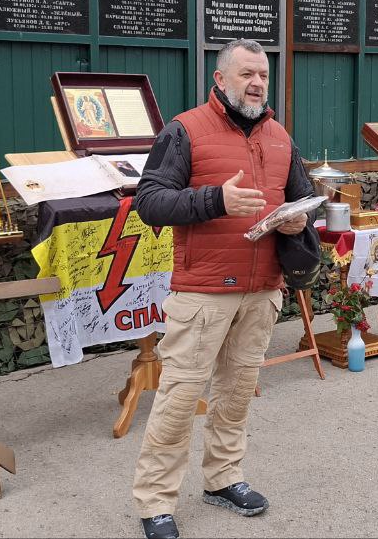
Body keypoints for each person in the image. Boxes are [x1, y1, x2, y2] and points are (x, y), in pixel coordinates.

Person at [130, 38, 314, 539]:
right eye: (246, 74)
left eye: (263, 75)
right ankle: (155, 501)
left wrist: (297, 222)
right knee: (179, 398)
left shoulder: (280, 137)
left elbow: (299, 199)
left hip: (262, 289)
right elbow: (149, 202)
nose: (257, 83)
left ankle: (224, 477)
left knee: (236, 393)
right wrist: (216, 201)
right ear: (220, 79)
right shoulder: (185, 130)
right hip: (204, 292)